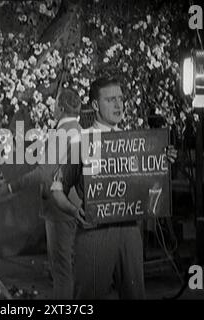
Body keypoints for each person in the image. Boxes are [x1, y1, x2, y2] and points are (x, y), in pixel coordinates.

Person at [50, 77, 177, 299]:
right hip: (94, 234)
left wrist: (162, 160)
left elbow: (150, 183)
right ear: (96, 105)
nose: (119, 105)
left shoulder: (138, 142)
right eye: (111, 100)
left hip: (130, 233)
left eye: (120, 99)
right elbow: (56, 189)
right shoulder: (81, 142)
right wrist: (73, 211)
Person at [0, 88, 85, 299]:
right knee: (70, 268)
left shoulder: (61, 134)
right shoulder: (79, 130)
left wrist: (11, 186)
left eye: (55, 104)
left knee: (61, 270)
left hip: (59, 210)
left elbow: (43, 173)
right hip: (75, 205)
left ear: (60, 108)